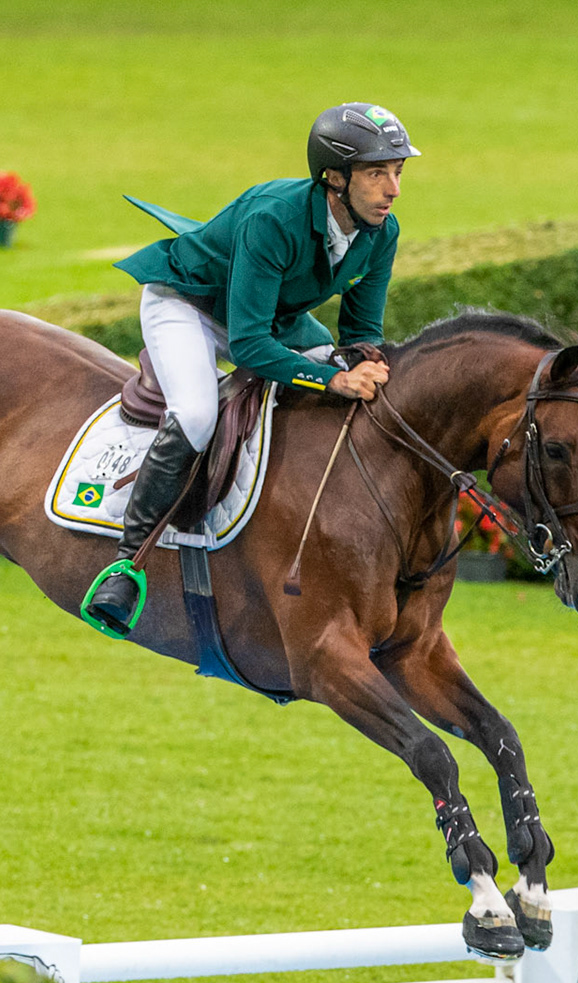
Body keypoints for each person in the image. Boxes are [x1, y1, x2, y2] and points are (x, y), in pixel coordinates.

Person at [81, 103, 417, 637]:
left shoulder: (382, 231)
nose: (393, 189)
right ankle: (126, 565)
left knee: (331, 365)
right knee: (195, 413)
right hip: (188, 304)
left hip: (264, 316)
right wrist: (332, 378)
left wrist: (366, 365)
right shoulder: (272, 218)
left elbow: (360, 334)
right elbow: (251, 346)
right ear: (334, 177)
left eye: (397, 172)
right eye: (378, 173)